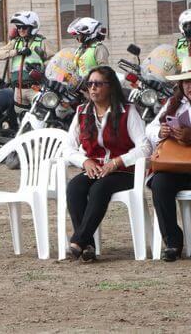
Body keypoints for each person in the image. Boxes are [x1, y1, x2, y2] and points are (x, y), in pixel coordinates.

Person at [64, 66, 150, 262]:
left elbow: (145, 147)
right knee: (75, 187)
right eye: (90, 84)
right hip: (96, 169)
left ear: (110, 87)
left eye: (98, 84)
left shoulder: (127, 111)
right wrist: (84, 161)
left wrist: (118, 162)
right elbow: (67, 148)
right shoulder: (82, 112)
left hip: (125, 172)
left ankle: (78, 240)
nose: (92, 88)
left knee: (99, 189)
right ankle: (88, 247)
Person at [145, 57, 191, 261]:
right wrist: (161, 131)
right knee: (160, 183)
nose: (190, 86)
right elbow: (150, 128)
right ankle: (172, 242)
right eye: (187, 82)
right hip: (178, 166)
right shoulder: (174, 104)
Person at [0, 11, 54, 106]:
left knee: (39, 116)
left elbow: (53, 61)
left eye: (24, 27)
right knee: (21, 118)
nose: (20, 30)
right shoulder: (16, 42)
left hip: (35, 89)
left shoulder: (42, 42)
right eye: (18, 27)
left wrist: (42, 68)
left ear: (33, 27)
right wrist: (17, 51)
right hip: (18, 90)